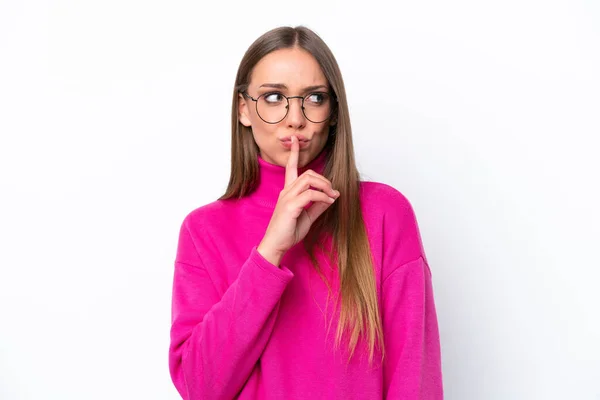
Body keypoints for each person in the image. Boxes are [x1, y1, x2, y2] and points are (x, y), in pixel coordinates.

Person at [168, 25, 443, 399]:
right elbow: (200, 387)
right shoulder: (204, 230)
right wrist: (270, 252)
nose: (294, 118)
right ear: (244, 110)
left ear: (332, 112)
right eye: (273, 97)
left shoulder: (384, 214)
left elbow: (415, 379)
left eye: (313, 98)